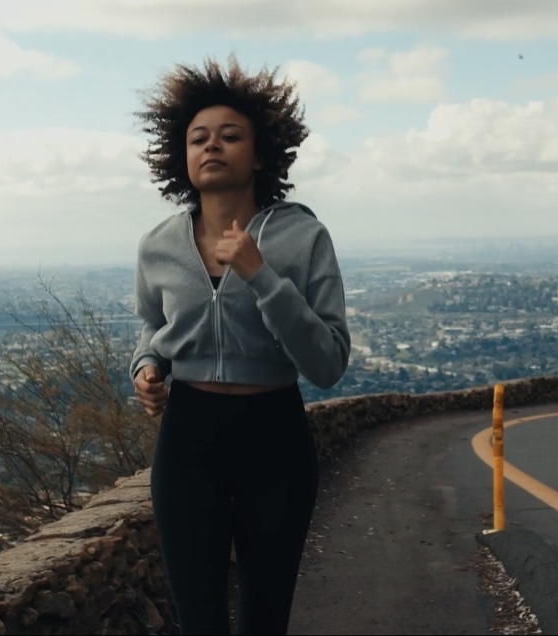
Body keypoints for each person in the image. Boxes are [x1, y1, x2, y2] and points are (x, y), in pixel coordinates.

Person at [129, 55, 351, 635]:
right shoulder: (158, 246)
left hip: (274, 434)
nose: (212, 146)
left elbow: (328, 363)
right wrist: (147, 366)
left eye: (230, 136)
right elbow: (151, 326)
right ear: (181, 156)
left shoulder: (303, 237)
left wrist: (262, 276)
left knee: (264, 618)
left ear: (259, 154)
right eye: (198, 137)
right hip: (189, 438)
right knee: (198, 620)